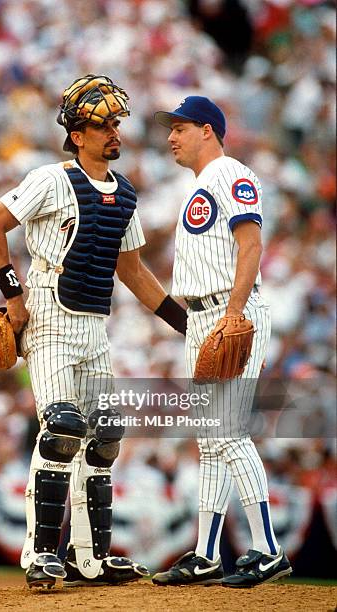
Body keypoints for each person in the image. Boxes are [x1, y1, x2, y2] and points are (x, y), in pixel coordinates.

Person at [0, 74, 187, 588]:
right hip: (48, 312)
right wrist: (14, 300)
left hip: (95, 323)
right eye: (103, 124)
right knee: (64, 426)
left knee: (105, 436)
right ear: (77, 134)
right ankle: (39, 553)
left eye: (116, 122)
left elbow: (132, 270)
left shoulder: (126, 192)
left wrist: (187, 322)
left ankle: (89, 558)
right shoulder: (50, 178)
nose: (115, 131)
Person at [151, 96, 292, 588]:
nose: (171, 136)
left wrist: (232, 315)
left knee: (226, 432)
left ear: (208, 130)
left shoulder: (232, 173)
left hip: (230, 312)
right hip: (200, 315)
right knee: (210, 441)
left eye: (181, 127)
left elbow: (251, 244)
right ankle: (208, 553)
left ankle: (269, 548)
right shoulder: (199, 183)